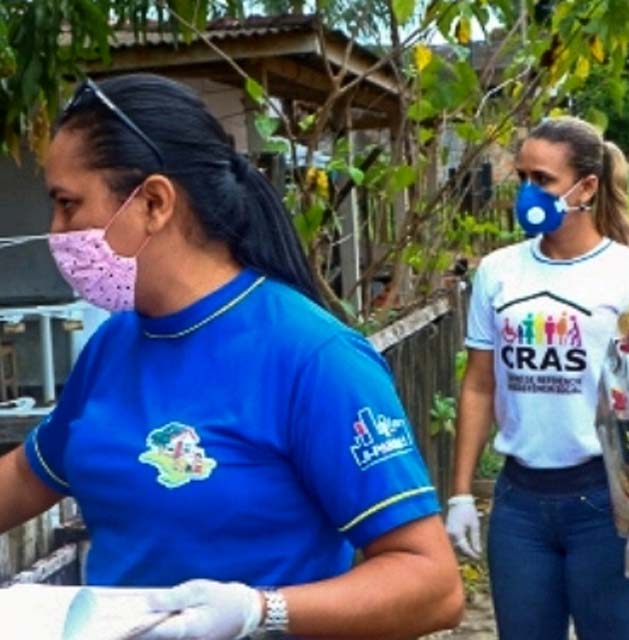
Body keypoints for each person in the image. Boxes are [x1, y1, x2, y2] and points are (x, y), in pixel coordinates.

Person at [0, 73, 463, 639]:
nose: (57, 233)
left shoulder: (313, 358)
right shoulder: (113, 346)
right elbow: (29, 473)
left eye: (69, 205)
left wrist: (258, 610)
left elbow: (432, 585)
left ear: (152, 202)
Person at [445, 116, 629, 640]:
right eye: (522, 176)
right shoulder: (498, 271)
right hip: (520, 504)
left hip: (606, 504)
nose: (528, 192)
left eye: (543, 179)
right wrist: (460, 494)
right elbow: (479, 383)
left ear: (586, 186)